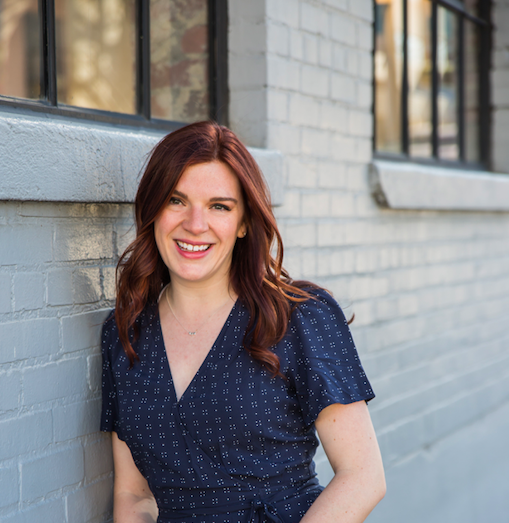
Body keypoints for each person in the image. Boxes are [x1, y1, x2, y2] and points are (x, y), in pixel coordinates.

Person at [100, 121, 386, 523]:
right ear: (153, 210)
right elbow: (135, 494)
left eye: (219, 206)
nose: (195, 224)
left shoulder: (299, 317)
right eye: (176, 201)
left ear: (244, 222)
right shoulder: (123, 333)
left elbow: (363, 476)